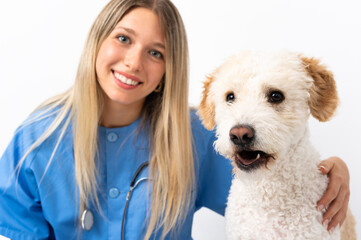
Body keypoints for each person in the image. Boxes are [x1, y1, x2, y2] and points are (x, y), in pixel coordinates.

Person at [0, 0, 350, 239]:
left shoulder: (197, 135)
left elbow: (268, 186)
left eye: (156, 52)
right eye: (123, 39)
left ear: (169, 69)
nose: (134, 63)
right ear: (97, 42)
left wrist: (331, 170)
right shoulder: (37, 141)